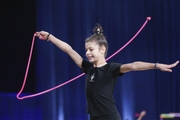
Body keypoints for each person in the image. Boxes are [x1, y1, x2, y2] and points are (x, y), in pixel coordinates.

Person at [35, 24, 179, 120]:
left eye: (91, 50)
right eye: (86, 50)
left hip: (109, 116)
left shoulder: (112, 69)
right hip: (94, 117)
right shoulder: (87, 67)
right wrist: (49, 37)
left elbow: (134, 65)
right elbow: (68, 49)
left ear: (102, 49)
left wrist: (156, 65)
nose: (87, 53)